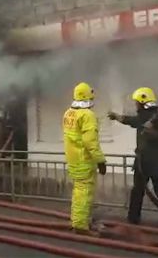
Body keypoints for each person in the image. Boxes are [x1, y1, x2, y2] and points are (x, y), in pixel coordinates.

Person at [108, 87, 158, 227]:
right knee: (140, 190)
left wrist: (151, 132)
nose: (135, 105)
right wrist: (117, 117)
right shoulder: (147, 116)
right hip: (143, 161)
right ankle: (134, 218)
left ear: (143, 101)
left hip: (153, 162)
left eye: (137, 102)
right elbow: (133, 121)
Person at [63, 82, 106, 235]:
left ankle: (79, 220)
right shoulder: (87, 115)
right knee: (85, 193)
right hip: (84, 160)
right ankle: (81, 226)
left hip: (73, 159)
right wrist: (100, 160)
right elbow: (90, 141)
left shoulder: (69, 113)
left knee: (78, 191)